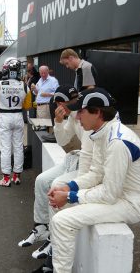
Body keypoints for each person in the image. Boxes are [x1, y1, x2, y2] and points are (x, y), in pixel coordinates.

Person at [46, 87, 140, 273]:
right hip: (116, 194)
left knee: (61, 221)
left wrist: (71, 196)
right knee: (58, 191)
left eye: (81, 111)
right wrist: (68, 186)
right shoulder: (102, 131)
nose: (77, 116)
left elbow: (109, 194)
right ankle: (54, 256)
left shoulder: (117, 142)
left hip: (130, 203)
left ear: (97, 112)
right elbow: (96, 173)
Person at [18, 85, 93, 263]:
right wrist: (58, 122)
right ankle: (42, 227)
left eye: (71, 101)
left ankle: (54, 237)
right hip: (78, 158)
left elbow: (93, 156)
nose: (64, 106)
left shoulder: (84, 115)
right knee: (41, 180)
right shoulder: (73, 115)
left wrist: (80, 181)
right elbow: (63, 140)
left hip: (88, 165)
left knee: (56, 185)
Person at [0, 57, 32, 187]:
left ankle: (6, 178)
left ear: (6, 69)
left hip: (5, 115)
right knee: (18, 147)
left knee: (5, 148)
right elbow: (27, 106)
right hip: (18, 116)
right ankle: (16, 176)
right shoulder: (25, 86)